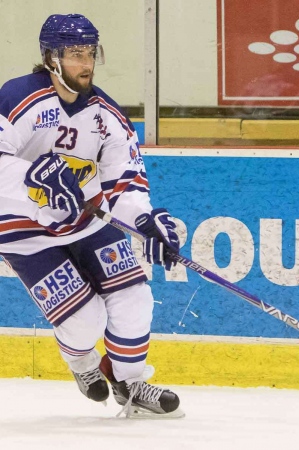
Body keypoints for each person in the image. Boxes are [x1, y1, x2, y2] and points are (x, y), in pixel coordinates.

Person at [0, 13, 183, 419]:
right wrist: (31, 177)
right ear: (50, 57)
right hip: (24, 229)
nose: (86, 64)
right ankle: (83, 364)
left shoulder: (106, 115)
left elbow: (125, 181)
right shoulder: (17, 97)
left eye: (90, 53)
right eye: (75, 54)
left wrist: (144, 221)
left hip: (85, 220)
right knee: (85, 321)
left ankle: (131, 383)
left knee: (134, 298)